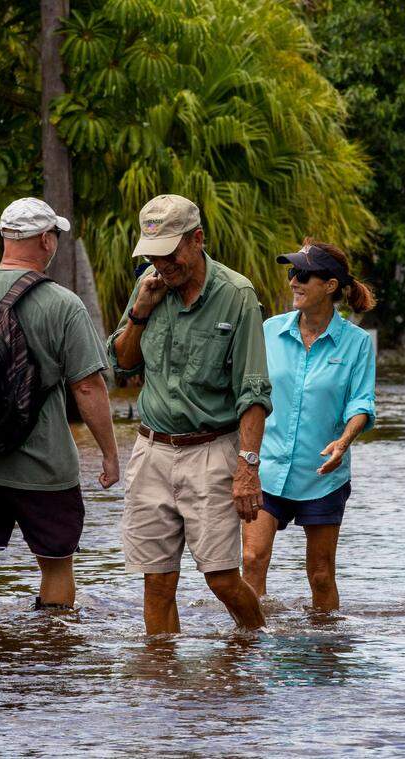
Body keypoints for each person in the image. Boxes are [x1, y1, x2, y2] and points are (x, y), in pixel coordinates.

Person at [0, 197, 121, 618]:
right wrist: (109, 454)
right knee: (55, 561)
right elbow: (87, 387)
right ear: (47, 240)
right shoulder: (62, 304)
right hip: (41, 466)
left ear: (5, 237)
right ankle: (48, 654)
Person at [108, 194, 270, 635]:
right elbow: (122, 364)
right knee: (157, 583)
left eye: (170, 253)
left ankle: (254, 645)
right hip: (152, 450)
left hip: (211, 452)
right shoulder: (148, 284)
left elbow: (253, 392)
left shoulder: (237, 295)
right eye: (153, 255)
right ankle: (164, 690)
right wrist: (139, 312)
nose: (162, 264)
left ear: (197, 240)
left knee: (220, 579)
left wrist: (247, 468)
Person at [243, 240, 377, 611]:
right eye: (292, 273)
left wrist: (344, 441)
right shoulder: (268, 331)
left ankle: (325, 653)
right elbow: (247, 392)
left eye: (303, 274)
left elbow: (362, 402)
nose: (293, 282)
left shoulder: (357, 343)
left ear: (330, 285)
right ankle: (249, 650)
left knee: (320, 574)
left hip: (322, 474)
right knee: (252, 559)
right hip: (265, 469)